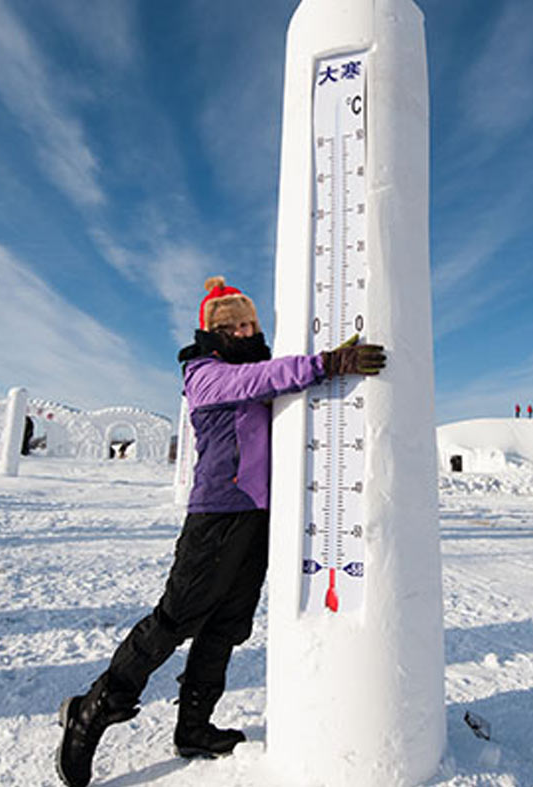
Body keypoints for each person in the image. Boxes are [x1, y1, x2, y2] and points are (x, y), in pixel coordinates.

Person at [55, 276, 386, 787]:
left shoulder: (261, 369)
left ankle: (194, 727)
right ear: (212, 330)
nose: (242, 329)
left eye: (248, 322)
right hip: (216, 515)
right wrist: (325, 364)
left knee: (227, 624)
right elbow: (250, 384)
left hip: (257, 516)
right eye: (230, 324)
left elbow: (269, 386)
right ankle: (90, 712)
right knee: (175, 619)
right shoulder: (203, 373)